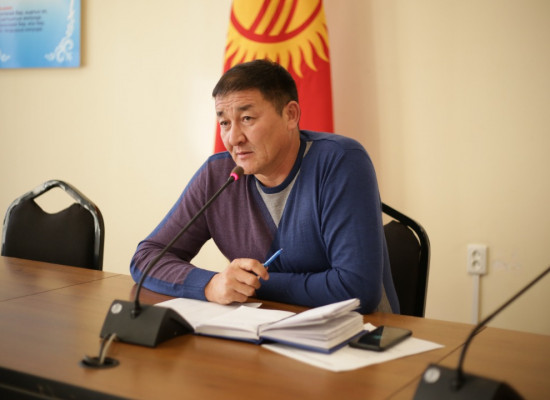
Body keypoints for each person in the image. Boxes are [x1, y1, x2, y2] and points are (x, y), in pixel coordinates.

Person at [130, 59, 399, 314]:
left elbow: (356, 288)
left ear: (290, 115)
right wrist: (210, 284)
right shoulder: (218, 176)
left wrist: (252, 284)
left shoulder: (340, 161)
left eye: (247, 118)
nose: (233, 138)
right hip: (264, 330)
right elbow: (146, 258)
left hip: (360, 333)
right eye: (224, 123)